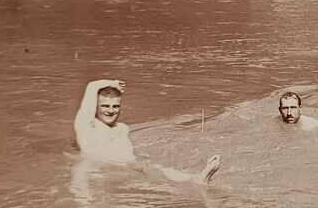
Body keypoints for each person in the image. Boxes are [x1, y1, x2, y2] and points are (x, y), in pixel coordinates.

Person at [74, 78, 220, 183]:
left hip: (129, 168)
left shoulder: (122, 129)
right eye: (105, 106)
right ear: (96, 107)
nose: (111, 111)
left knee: (156, 170)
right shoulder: (88, 127)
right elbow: (92, 86)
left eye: (115, 106)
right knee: (153, 171)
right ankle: (196, 179)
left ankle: (196, 178)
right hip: (103, 171)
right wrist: (112, 83)